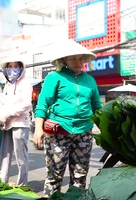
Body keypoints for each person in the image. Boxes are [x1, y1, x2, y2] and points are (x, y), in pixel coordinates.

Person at [33, 39, 102, 197]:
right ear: (63, 60)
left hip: (84, 133)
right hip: (58, 133)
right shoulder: (54, 77)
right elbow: (42, 104)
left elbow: (97, 107)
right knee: (54, 176)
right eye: (73, 58)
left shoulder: (90, 80)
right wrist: (38, 129)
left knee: (80, 177)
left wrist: (106, 129)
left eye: (80, 58)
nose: (78, 62)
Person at [0, 55, 32, 186]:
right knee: (4, 154)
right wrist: (0, 116)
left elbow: (25, 104)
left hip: (20, 124)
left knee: (21, 156)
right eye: (10, 66)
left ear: (21, 68)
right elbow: (3, 103)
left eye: (16, 66)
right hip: (6, 124)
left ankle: (22, 184)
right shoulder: (7, 85)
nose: (13, 69)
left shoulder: (25, 83)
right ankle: (0, 181)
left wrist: (7, 114)